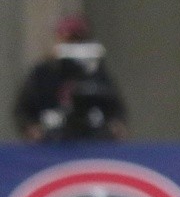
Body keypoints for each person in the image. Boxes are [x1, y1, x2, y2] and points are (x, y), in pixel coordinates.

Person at [12, 14, 129, 142]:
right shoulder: (43, 72)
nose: (73, 45)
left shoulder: (96, 72)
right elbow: (23, 109)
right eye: (68, 40)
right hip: (52, 139)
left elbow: (115, 107)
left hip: (93, 137)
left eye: (78, 40)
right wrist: (31, 128)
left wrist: (116, 125)